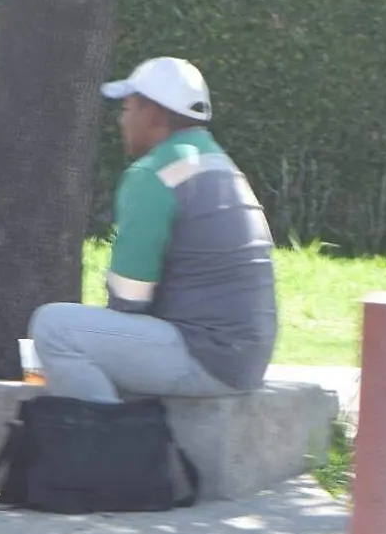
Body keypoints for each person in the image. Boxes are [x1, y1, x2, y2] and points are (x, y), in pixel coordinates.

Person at [28, 56, 277, 401]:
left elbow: (129, 298)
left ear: (155, 116)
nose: (121, 120)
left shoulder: (155, 173)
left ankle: (101, 444)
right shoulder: (218, 163)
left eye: (128, 109)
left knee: (53, 327)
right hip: (242, 358)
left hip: (203, 357)